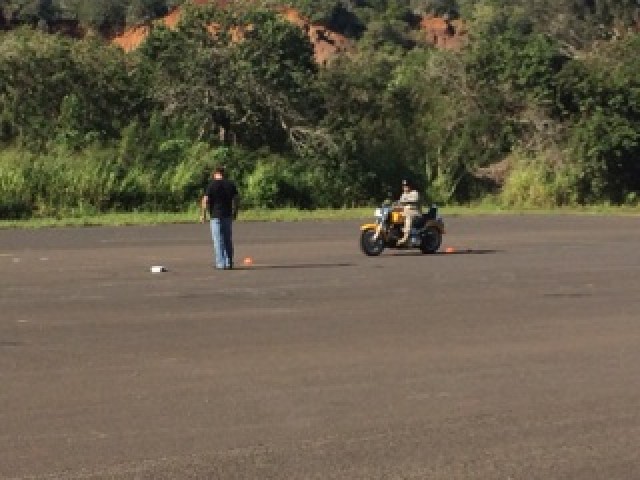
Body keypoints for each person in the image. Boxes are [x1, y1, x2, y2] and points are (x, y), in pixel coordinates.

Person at [200, 166, 239, 270]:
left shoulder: (211, 185)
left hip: (215, 216)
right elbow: (236, 199)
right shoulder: (230, 184)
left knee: (218, 240)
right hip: (227, 215)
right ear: (223, 173)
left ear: (215, 174)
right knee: (227, 239)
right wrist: (235, 212)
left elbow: (205, 200)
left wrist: (203, 214)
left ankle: (220, 263)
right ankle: (229, 262)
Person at [397, 179, 421, 245]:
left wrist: (405, 201)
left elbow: (415, 200)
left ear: (410, 186)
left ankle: (405, 237)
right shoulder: (403, 194)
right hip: (405, 211)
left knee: (408, 216)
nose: (405, 187)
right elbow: (400, 203)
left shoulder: (415, 193)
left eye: (406, 186)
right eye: (404, 186)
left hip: (415, 212)